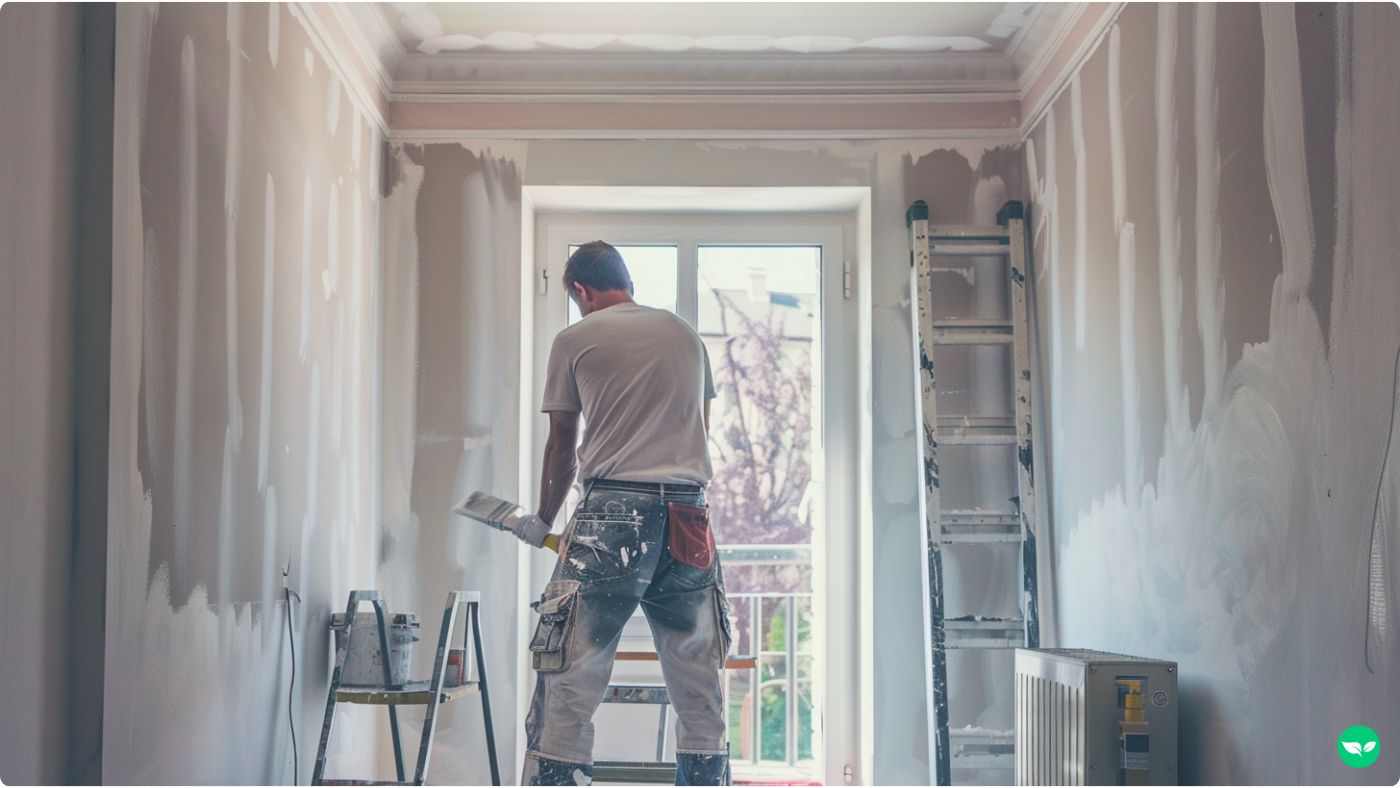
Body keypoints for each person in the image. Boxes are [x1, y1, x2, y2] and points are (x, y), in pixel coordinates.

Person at [516, 240, 732, 786]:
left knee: (572, 666)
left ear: (581, 290)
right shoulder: (684, 334)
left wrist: (542, 520)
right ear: (627, 283)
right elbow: (698, 426)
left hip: (613, 512)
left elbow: (562, 446)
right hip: (689, 514)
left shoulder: (575, 338)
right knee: (698, 670)